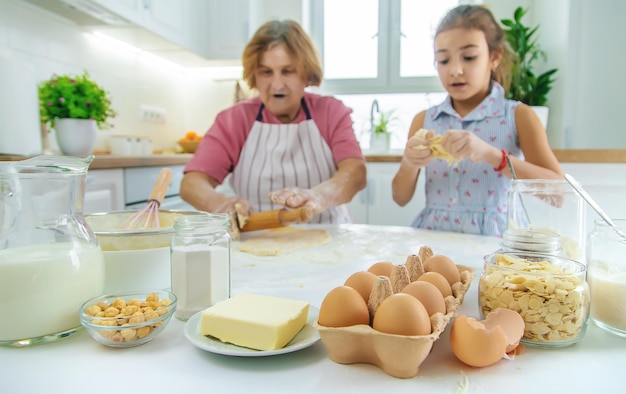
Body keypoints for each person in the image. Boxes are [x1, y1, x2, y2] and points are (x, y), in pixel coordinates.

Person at [391, 5, 562, 236]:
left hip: (499, 242)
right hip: (435, 239)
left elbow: (558, 194)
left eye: (469, 57)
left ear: (494, 56)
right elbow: (400, 198)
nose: (455, 70)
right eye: (443, 60)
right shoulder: (424, 120)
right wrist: (410, 163)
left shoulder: (519, 116)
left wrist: (491, 155)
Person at [181, 20, 366, 225]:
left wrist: (320, 196)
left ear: (306, 74)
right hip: (256, 239)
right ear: (254, 76)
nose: (277, 84)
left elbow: (355, 172)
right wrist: (219, 202)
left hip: (330, 233)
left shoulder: (330, 111)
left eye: (288, 71)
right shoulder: (235, 120)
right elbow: (192, 183)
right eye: (266, 72)